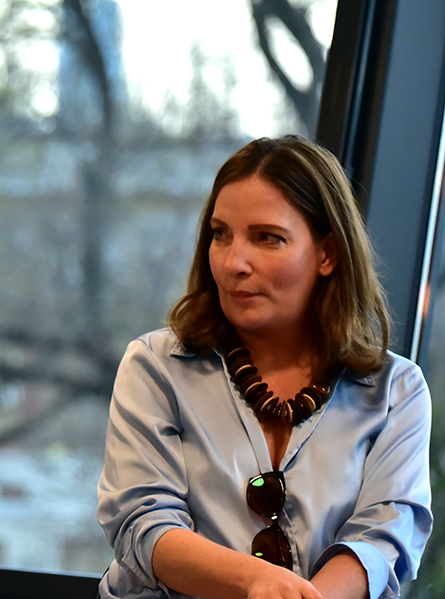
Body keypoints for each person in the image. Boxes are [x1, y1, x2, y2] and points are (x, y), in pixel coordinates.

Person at [96, 135, 432, 599]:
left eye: (267, 238)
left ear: (328, 254)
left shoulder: (397, 390)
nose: (234, 262)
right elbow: (142, 524)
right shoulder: (155, 366)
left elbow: (382, 538)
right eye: (220, 234)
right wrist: (256, 581)